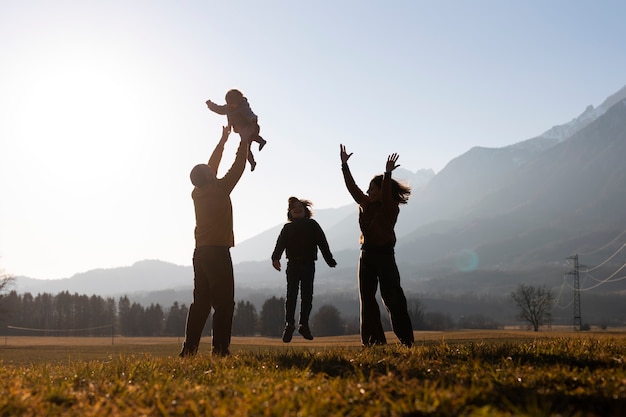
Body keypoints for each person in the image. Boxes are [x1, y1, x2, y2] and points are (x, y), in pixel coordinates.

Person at [179, 125, 248, 357]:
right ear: (209, 177)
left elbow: (211, 166)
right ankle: (220, 350)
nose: (212, 169)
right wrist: (244, 141)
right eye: (210, 171)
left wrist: (222, 141)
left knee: (200, 304)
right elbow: (238, 167)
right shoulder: (220, 189)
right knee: (224, 304)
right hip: (218, 253)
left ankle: (189, 350)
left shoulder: (197, 192)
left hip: (200, 253)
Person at [339, 144, 414, 347]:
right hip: (366, 257)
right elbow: (352, 188)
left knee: (393, 298)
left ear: (382, 191)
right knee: (367, 300)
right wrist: (344, 165)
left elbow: (388, 195)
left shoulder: (390, 208)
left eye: (372, 188)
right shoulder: (365, 204)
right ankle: (373, 343)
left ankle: (407, 341)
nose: (367, 191)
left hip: (385, 257)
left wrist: (387, 174)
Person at [271, 197, 337, 342]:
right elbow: (280, 244)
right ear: (290, 213)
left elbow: (322, 243)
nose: (297, 208)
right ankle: (289, 325)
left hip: (308, 265)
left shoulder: (312, 225)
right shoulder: (287, 228)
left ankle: (303, 324)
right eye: (293, 207)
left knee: (307, 296)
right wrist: (275, 258)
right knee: (291, 296)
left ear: (305, 209)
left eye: (299, 206)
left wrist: (329, 259)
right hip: (293, 265)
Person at [206, 89, 267, 172]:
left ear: (238, 102)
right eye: (228, 104)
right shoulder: (227, 108)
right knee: (246, 149)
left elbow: (250, 114)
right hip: (243, 132)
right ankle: (252, 163)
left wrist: (253, 119)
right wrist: (210, 105)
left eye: (232, 104)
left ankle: (261, 141)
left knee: (252, 136)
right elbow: (219, 109)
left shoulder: (243, 107)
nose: (230, 106)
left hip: (251, 127)